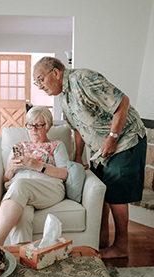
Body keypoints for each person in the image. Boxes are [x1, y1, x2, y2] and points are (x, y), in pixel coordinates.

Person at [33, 57, 147, 259]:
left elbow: (123, 102)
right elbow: (78, 128)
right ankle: (101, 241)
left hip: (125, 138)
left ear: (56, 73)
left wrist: (112, 138)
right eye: (36, 82)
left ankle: (121, 246)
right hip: (100, 147)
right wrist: (78, 156)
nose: (40, 86)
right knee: (100, 190)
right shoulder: (63, 97)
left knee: (116, 190)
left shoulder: (83, 79)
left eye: (41, 79)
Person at [0, 106, 69, 246]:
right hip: (20, 189)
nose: (34, 130)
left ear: (48, 126)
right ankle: (22, 257)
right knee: (22, 213)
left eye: (39, 125)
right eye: (30, 125)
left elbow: (64, 174)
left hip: (49, 188)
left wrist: (38, 165)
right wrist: (10, 169)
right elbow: (6, 179)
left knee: (20, 185)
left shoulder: (56, 145)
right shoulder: (19, 146)